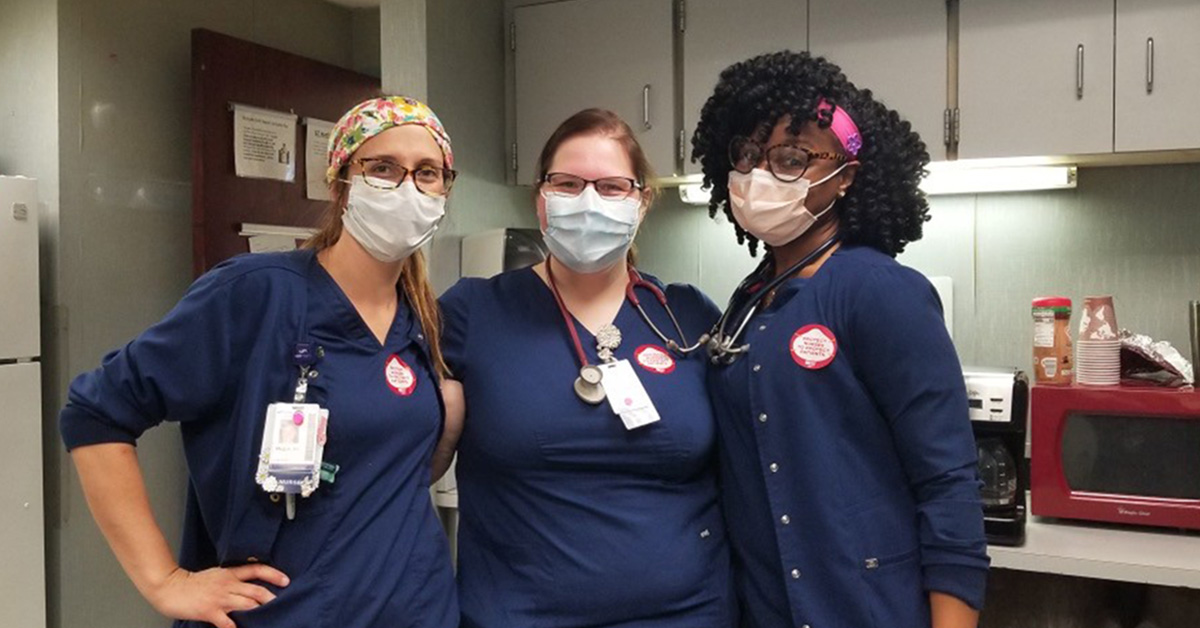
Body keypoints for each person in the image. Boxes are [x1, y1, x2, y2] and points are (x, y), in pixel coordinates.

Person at [59, 96, 459, 628]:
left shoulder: (424, 320)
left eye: (426, 173)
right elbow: (96, 412)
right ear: (340, 182)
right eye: (382, 168)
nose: (407, 188)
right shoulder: (254, 295)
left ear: (444, 190)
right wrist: (164, 582)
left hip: (418, 609)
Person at [690, 51, 989, 628]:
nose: (759, 173)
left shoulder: (883, 293)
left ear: (846, 175)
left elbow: (948, 484)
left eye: (791, 158)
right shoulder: (752, 297)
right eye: (749, 154)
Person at [435, 108, 734, 628]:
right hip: (518, 616)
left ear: (642, 202)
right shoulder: (472, 314)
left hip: (691, 614)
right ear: (540, 198)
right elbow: (378, 450)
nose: (588, 201)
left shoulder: (686, 317)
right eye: (567, 183)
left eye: (613, 187)